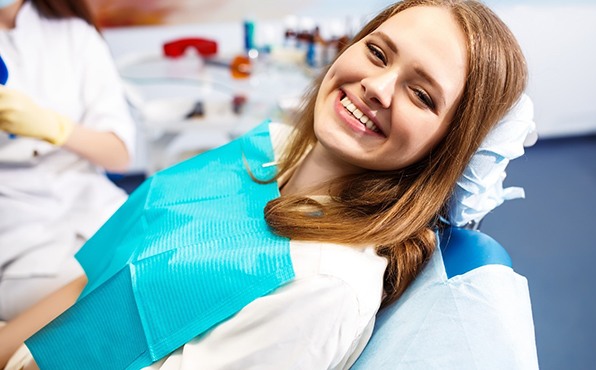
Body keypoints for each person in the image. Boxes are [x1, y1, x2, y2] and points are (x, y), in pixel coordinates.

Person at [0, 0, 533, 368]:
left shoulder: (323, 286)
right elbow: (99, 273)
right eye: (378, 51)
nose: (377, 86)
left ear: (449, 145)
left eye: (421, 95)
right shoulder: (269, 146)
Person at [0, 0, 135, 321]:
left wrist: (54, 128)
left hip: (100, 212)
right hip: (19, 241)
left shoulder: (76, 36)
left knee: (164, 268)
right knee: (109, 297)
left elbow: (119, 154)